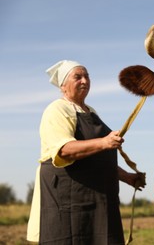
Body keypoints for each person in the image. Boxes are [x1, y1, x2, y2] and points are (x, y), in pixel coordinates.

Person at [27, 60, 145, 244]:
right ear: (63, 86)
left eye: (87, 76)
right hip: (70, 200)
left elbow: (99, 159)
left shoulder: (91, 112)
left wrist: (126, 177)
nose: (85, 81)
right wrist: (104, 142)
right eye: (78, 77)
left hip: (100, 200)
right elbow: (64, 150)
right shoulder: (57, 110)